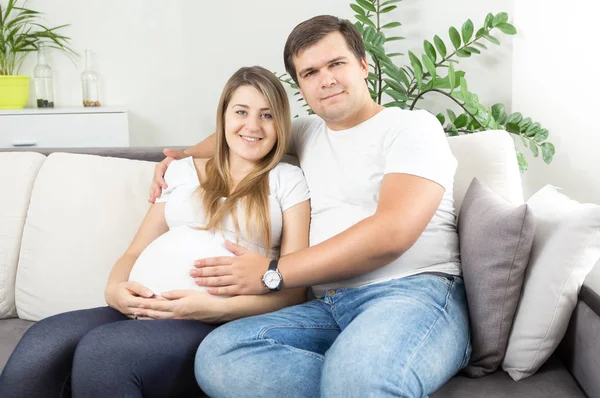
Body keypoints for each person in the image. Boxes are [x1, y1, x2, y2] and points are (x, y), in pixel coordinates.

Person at [150, 15, 471, 397]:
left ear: (363, 64)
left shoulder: (412, 128)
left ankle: (363, 380)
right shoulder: (305, 133)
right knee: (222, 355)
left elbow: (392, 234)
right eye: (310, 72)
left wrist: (272, 273)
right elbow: (240, 134)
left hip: (413, 292)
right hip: (327, 306)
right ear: (301, 86)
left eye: (337, 64)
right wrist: (179, 158)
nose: (326, 79)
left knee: (359, 377)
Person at [0, 66, 311, 398]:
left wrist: (214, 307)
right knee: (41, 344)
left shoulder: (287, 180)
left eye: (267, 115)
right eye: (241, 112)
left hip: (213, 320)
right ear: (222, 118)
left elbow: (293, 290)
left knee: (106, 352)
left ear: (281, 124)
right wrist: (114, 290)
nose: (252, 125)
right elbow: (134, 251)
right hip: (141, 308)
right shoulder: (180, 171)